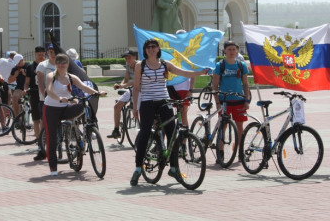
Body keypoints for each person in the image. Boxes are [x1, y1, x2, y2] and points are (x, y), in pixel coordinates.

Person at [130, 39, 208, 186]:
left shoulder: (165, 64)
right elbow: (136, 87)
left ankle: (173, 168)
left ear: (158, 48)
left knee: (172, 134)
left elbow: (183, 72)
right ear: (145, 50)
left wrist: (200, 72)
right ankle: (138, 168)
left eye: (154, 47)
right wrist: (135, 107)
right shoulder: (141, 65)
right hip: (147, 102)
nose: (151, 49)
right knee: (145, 133)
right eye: (148, 47)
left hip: (164, 101)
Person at [43, 53, 106, 176]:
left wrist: (97, 92)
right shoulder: (51, 76)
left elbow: (83, 87)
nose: (61, 65)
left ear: (68, 64)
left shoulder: (72, 77)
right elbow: (49, 91)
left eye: (64, 62)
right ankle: (53, 168)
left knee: (83, 104)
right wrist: (60, 98)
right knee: (52, 138)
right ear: (55, 64)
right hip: (51, 109)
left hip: (65, 108)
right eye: (58, 62)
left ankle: (82, 131)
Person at [211, 41, 251, 162]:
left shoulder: (241, 65)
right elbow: (215, 85)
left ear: (237, 51)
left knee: (240, 127)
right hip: (225, 101)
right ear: (225, 51)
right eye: (229, 49)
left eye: (234, 49)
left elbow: (245, 84)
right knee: (223, 126)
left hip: (239, 100)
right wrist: (217, 102)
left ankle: (240, 152)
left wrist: (247, 100)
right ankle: (221, 152)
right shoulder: (220, 65)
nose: (232, 52)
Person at [33, 43, 57, 160]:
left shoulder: (60, 64)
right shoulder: (42, 66)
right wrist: (45, 96)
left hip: (59, 98)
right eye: (50, 52)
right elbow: (41, 84)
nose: (53, 54)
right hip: (46, 100)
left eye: (55, 52)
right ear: (47, 53)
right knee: (44, 125)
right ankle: (41, 149)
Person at [107, 50, 138, 139]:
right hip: (132, 89)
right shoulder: (128, 66)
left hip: (141, 89)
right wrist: (119, 84)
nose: (127, 60)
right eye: (126, 58)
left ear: (135, 57)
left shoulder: (139, 65)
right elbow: (126, 79)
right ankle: (116, 130)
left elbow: (138, 81)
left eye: (129, 57)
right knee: (117, 106)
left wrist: (125, 85)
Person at [24, 46, 46, 145]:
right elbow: (27, 81)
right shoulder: (30, 67)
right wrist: (25, 89)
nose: (41, 56)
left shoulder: (47, 65)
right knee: (36, 119)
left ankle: (43, 137)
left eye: (43, 54)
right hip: (34, 93)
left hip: (45, 94)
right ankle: (39, 140)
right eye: (39, 54)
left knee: (44, 118)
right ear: (35, 54)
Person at [8, 54, 29, 119]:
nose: (17, 65)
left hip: (29, 86)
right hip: (19, 87)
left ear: (22, 60)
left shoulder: (28, 66)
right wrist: (15, 76)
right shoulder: (15, 68)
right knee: (14, 97)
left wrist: (25, 74)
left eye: (19, 63)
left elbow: (34, 77)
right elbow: (9, 80)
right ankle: (16, 118)